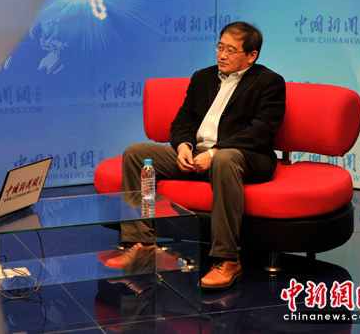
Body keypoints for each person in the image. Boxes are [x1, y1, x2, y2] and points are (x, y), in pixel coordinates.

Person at [107, 21, 286, 291]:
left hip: (240, 156)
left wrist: (214, 153)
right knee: (136, 154)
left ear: (252, 55)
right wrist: (183, 147)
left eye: (231, 50)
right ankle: (142, 246)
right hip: (196, 154)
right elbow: (182, 120)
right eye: (220, 47)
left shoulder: (269, 82)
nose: (222, 55)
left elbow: (261, 132)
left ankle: (227, 260)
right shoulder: (203, 77)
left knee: (224, 160)